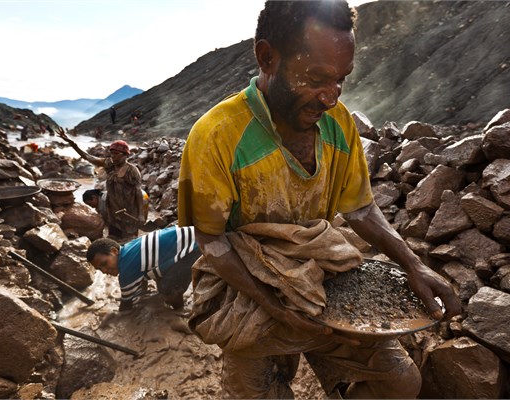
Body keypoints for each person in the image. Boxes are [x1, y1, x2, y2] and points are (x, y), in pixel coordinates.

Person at [177, 1, 462, 398]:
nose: (330, 97)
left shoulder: (339, 123)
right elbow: (212, 241)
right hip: (249, 294)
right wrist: (275, 306)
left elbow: (359, 207)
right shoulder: (217, 135)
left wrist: (412, 263)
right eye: (315, 78)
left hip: (325, 279)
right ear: (267, 57)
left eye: (341, 79)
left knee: (399, 383)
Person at [57, 128, 144, 241]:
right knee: (113, 239)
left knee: (130, 240)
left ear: (125, 155)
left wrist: (141, 214)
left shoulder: (132, 170)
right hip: (113, 210)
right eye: (111, 153)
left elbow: (138, 192)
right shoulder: (108, 164)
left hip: (129, 211)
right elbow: (87, 157)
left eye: (116, 154)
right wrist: (71, 142)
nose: (113, 156)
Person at [86, 225, 201, 311]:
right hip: (192, 233)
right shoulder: (127, 249)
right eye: (100, 270)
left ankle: (179, 310)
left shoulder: (126, 271)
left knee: (167, 290)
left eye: (104, 264)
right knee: (156, 273)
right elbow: (141, 279)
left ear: (114, 251)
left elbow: (126, 307)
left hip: (197, 245)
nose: (105, 271)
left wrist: (111, 317)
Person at [83, 188, 149, 224]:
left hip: (140, 198)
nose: (91, 207)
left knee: (133, 224)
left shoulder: (105, 199)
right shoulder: (103, 196)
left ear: (94, 197)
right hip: (143, 195)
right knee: (140, 221)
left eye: (90, 204)